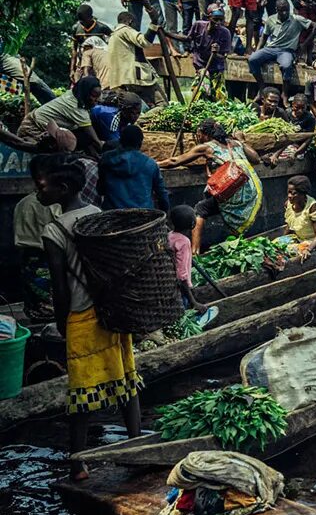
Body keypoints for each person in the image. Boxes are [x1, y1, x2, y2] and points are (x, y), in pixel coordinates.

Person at [39, 155, 143, 480]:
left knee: (81, 392)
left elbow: (60, 287)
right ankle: (136, 446)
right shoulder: (96, 214)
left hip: (82, 316)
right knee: (126, 379)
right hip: (110, 311)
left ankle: (78, 463)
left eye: (43, 186)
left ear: (64, 187)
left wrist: (60, 321)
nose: (39, 191)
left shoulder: (53, 230)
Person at [159, 120, 263, 252]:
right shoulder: (235, 143)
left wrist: (154, 163)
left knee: (200, 209)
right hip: (252, 189)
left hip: (234, 191)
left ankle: (195, 252)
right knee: (217, 207)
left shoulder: (207, 147)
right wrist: (242, 141)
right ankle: (236, 246)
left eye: (199, 134)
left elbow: (175, 161)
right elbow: (256, 159)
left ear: (205, 134)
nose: (198, 138)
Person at [14, 154, 62, 322]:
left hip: (29, 258)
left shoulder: (22, 204)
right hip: (48, 257)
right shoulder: (55, 205)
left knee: (36, 305)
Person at [6, 76, 104, 154]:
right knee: (50, 150)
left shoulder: (75, 94)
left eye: (98, 95)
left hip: (47, 126)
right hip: (32, 128)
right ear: (85, 94)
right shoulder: (74, 107)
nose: (97, 99)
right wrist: (105, 149)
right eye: (94, 96)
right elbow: (94, 139)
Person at [166, 4, 233, 99]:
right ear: (209, 18)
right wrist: (167, 34)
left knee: (219, 98)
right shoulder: (198, 26)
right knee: (202, 91)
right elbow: (187, 38)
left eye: (221, 20)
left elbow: (223, 56)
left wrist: (216, 53)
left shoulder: (225, 33)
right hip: (201, 65)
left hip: (216, 68)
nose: (218, 23)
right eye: (215, 19)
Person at [99, 124, 169, 211]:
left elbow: (100, 189)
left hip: (113, 215)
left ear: (120, 141)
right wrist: (165, 215)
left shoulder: (106, 159)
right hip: (144, 215)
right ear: (140, 143)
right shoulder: (150, 164)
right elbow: (162, 194)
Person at [103, 11, 165, 107]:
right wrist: (153, 24)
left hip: (123, 80)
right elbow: (145, 42)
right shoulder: (125, 30)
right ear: (130, 22)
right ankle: (143, 120)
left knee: (137, 107)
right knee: (162, 105)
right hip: (138, 78)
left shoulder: (113, 36)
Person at [248, 0, 310, 89]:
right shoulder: (270, 20)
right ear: (277, 10)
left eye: (287, 10)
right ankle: (261, 86)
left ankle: (284, 94)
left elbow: (315, 27)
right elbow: (264, 37)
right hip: (271, 48)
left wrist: (304, 44)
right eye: (282, 11)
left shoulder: (296, 19)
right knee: (252, 59)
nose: (285, 13)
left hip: (286, 50)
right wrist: (258, 51)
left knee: (287, 65)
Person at [167, 205, 207, 312]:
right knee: (184, 309)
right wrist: (193, 301)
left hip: (170, 283)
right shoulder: (184, 242)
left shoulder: (170, 235)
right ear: (193, 224)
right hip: (180, 289)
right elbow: (182, 276)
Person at [279, 175, 316, 259]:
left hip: (313, 240)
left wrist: (308, 249)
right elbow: (289, 225)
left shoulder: (312, 206)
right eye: (289, 192)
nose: (290, 196)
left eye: (294, 193)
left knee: (297, 252)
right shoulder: (288, 204)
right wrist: (281, 241)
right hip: (300, 237)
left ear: (303, 194)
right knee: (277, 247)